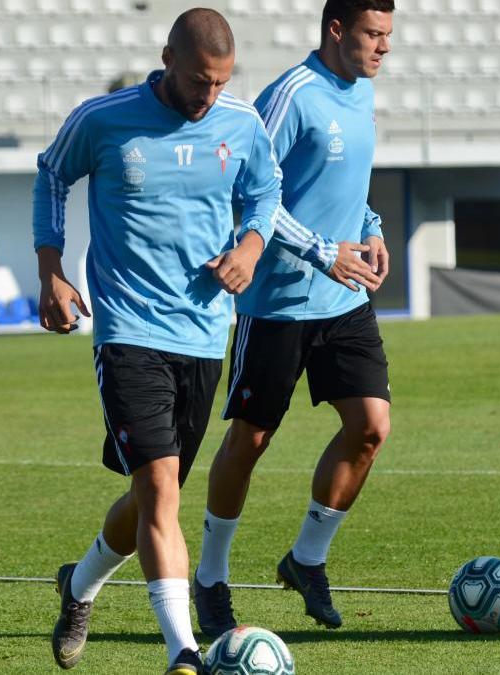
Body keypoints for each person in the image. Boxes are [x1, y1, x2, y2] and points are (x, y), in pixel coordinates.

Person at [33, 8, 285, 674]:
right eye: (200, 80)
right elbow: (52, 174)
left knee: (153, 497)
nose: (209, 96)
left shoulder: (241, 124)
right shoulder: (103, 119)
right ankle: (184, 653)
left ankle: (79, 583)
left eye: (220, 83)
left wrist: (252, 248)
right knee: (162, 494)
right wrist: (51, 273)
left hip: (204, 335)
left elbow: (266, 192)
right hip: (128, 331)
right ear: (168, 57)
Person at [192, 0, 396, 640]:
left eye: (388, 35)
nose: (383, 47)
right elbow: (250, 192)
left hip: (345, 296)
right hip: (277, 302)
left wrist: (371, 228)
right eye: (372, 34)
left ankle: (306, 560)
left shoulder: (360, 93)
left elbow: (347, 185)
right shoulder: (291, 96)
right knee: (250, 441)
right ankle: (211, 578)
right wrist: (318, 251)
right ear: (336, 30)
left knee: (370, 427)